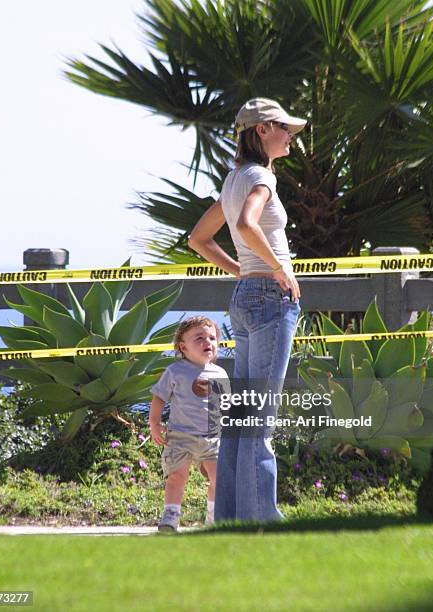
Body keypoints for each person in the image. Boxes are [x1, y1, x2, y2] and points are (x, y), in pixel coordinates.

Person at [188, 98, 306, 522]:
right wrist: (276, 270)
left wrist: (244, 271)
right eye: (283, 128)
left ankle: (231, 518)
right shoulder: (262, 179)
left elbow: (198, 240)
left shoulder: (234, 179)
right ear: (262, 130)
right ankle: (262, 520)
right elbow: (245, 226)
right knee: (261, 415)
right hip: (272, 299)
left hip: (244, 299)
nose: (290, 135)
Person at [149, 316, 229, 532]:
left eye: (212, 338)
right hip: (180, 437)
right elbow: (159, 397)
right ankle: (171, 516)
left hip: (212, 439)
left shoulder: (220, 374)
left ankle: (213, 518)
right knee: (177, 476)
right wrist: (154, 423)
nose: (208, 342)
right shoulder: (175, 371)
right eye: (200, 338)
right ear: (183, 347)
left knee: (219, 479)